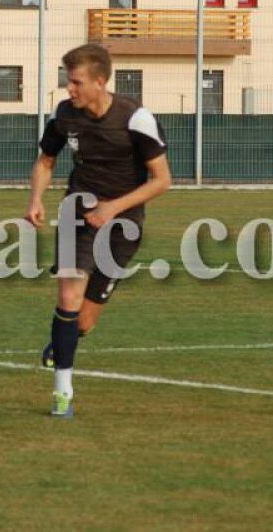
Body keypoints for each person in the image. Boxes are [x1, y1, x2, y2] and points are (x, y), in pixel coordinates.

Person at [25, 44, 170, 418]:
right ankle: (63, 393)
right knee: (69, 294)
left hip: (124, 222)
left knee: (84, 321)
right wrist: (36, 199)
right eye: (67, 81)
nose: (68, 89)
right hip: (78, 211)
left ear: (100, 82)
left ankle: (63, 343)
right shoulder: (64, 115)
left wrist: (113, 208)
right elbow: (45, 161)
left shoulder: (136, 119)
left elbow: (162, 180)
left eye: (75, 82)